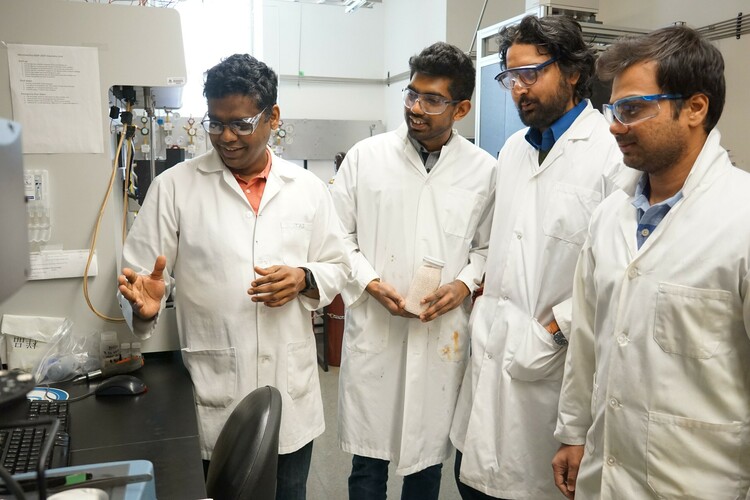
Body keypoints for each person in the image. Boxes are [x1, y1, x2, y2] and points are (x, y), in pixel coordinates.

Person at [117, 54, 350, 500]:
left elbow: (338, 264)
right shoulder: (175, 187)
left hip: (290, 396)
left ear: (273, 117)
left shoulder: (308, 189)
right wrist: (142, 307)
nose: (226, 137)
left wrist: (305, 277)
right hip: (214, 397)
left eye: (241, 123)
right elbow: (138, 283)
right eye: (215, 122)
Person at [551, 25, 750, 499]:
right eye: (613, 109)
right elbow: (586, 341)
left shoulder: (741, 217)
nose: (615, 125)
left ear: (696, 108)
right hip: (608, 472)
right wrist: (574, 433)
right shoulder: (610, 215)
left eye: (633, 109)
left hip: (702, 482)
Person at [449, 15, 629, 499]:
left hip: (553, 371)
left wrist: (555, 329)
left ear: (572, 72)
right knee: (472, 479)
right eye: (510, 77)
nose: (518, 90)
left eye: (532, 74)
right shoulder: (512, 150)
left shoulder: (613, 155)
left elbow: (627, 273)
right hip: (492, 352)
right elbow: (494, 243)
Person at [329, 41, 496, 500]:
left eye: (432, 100)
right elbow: (335, 236)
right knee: (368, 464)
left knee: (425, 466)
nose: (415, 108)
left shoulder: (483, 171)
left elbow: (486, 247)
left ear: (461, 107)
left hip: (438, 337)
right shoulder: (366, 157)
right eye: (411, 94)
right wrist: (368, 282)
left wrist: (463, 284)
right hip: (377, 331)